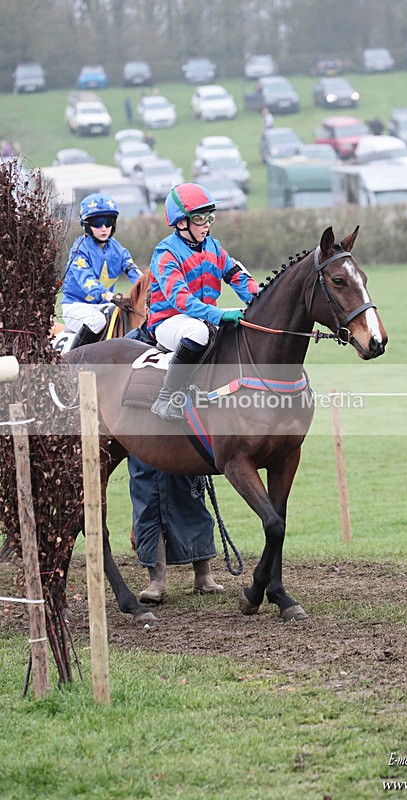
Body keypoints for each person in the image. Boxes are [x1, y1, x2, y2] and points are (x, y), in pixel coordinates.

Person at [148, 182, 259, 422]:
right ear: (181, 222)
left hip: (203, 317)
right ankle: (166, 399)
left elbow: (238, 276)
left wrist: (261, 301)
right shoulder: (166, 252)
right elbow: (180, 299)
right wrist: (218, 315)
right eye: (199, 218)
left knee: (244, 326)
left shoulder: (214, 247)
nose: (207, 223)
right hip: (169, 321)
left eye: (210, 216)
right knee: (198, 332)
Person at [128, 455, 224, 602]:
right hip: (143, 444)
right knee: (149, 508)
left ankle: (203, 575)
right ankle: (157, 582)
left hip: (180, 445)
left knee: (191, 503)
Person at [61, 193, 143, 349]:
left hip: (103, 305)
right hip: (75, 306)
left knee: (127, 316)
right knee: (97, 322)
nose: (104, 228)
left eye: (108, 221)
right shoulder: (79, 250)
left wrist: (148, 288)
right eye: (98, 223)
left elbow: (133, 271)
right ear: (86, 224)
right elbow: (87, 282)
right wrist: (109, 296)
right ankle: (73, 360)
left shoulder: (118, 249)